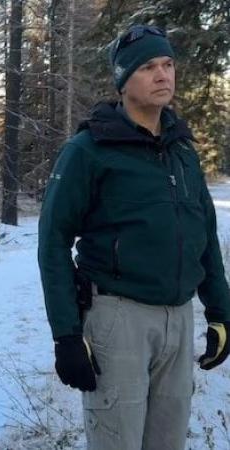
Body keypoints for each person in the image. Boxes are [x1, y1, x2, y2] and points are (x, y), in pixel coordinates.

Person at [38, 25, 230, 449]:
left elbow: (204, 234)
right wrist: (67, 335)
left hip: (178, 320)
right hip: (118, 319)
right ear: (124, 81)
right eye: (148, 67)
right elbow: (52, 240)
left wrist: (221, 310)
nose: (163, 75)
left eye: (168, 64)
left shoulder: (182, 149)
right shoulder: (89, 149)